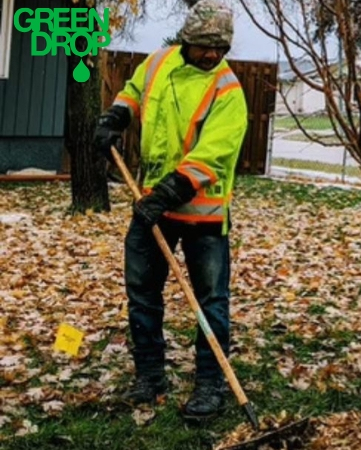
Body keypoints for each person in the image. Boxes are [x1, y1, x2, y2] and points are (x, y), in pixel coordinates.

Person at [92, 0, 248, 420]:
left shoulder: (228, 91)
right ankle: (149, 375)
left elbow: (213, 156)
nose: (213, 55)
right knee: (142, 292)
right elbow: (134, 93)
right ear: (187, 39)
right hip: (151, 206)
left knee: (210, 301)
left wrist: (165, 194)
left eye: (221, 47)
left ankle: (210, 385)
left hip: (202, 215)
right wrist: (115, 118)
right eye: (205, 46)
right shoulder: (157, 63)